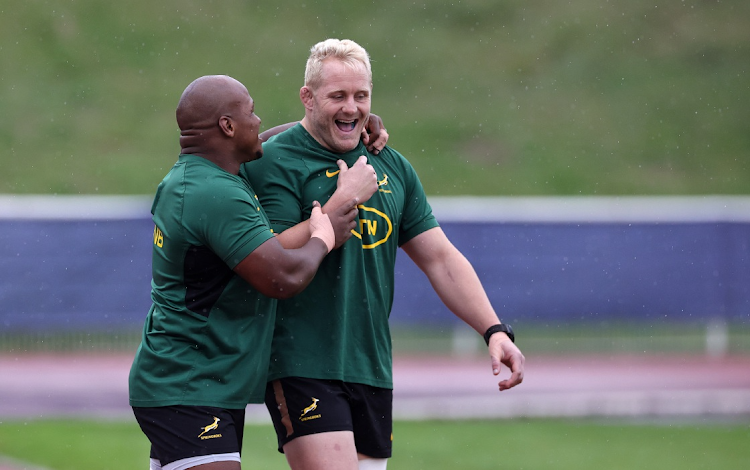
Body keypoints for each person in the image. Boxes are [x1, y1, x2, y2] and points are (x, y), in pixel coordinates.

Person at [243, 39, 526, 470]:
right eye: (337, 96)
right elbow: (269, 258)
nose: (351, 108)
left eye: (361, 96)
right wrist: (341, 203)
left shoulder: (392, 166)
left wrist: (493, 330)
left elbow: (440, 259)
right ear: (308, 97)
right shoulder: (274, 163)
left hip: (370, 363)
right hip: (300, 359)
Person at [128, 74, 381, 470]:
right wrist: (326, 232)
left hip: (196, 380)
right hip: (190, 382)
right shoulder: (215, 194)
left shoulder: (200, 177)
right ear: (227, 127)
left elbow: (269, 139)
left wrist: (343, 126)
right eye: (250, 112)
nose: (259, 121)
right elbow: (284, 278)